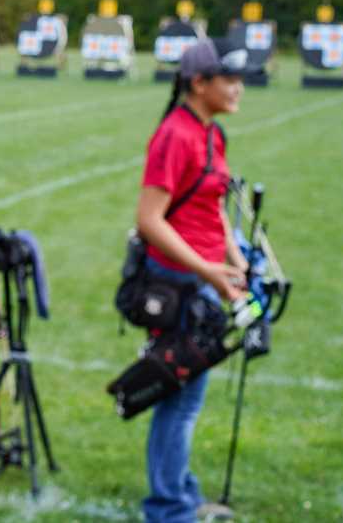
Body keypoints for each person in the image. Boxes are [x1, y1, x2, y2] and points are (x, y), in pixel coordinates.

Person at [134, 37, 252, 523]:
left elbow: (213, 204)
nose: (238, 88)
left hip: (205, 278)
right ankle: (169, 508)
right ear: (198, 83)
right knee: (179, 402)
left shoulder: (211, 132)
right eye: (229, 79)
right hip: (178, 285)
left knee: (186, 399)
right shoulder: (175, 135)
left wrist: (234, 256)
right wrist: (209, 271)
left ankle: (178, 493)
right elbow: (150, 220)